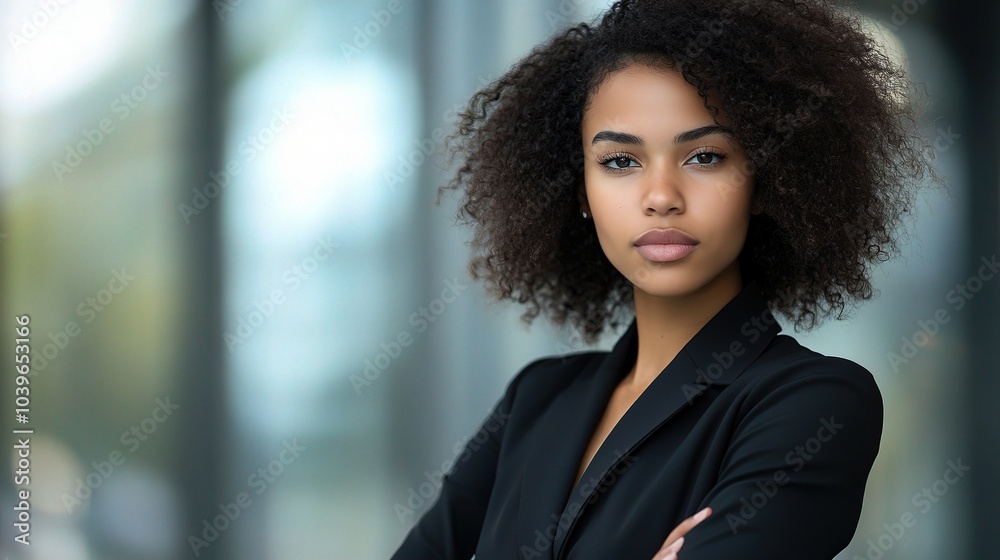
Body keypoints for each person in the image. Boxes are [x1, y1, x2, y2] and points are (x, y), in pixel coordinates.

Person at [391, 0, 940, 558]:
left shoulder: (813, 404)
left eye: (704, 156)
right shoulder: (536, 400)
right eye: (620, 162)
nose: (660, 198)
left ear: (766, 179)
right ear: (581, 191)